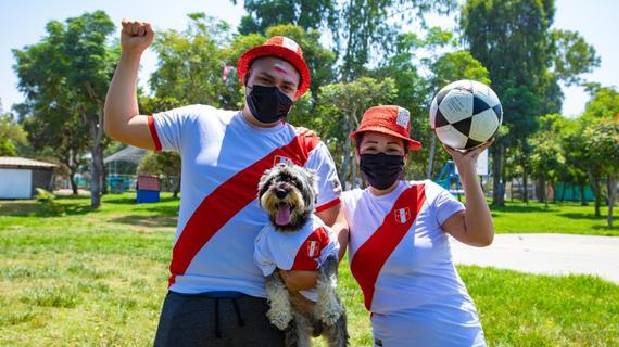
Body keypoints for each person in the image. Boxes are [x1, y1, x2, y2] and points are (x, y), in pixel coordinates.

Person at [103, 19, 343, 346]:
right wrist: (132, 54)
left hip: (267, 305)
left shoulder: (308, 147)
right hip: (190, 295)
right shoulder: (198, 121)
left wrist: (309, 282)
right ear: (245, 80)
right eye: (265, 80)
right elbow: (120, 125)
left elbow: (330, 220)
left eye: (286, 86)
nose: (275, 90)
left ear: (295, 95)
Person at [337, 105, 493, 347]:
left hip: (455, 335)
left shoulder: (427, 194)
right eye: (371, 148)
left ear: (404, 158)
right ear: (357, 154)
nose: (381, 156)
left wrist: (466, 170)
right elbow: (323, 255)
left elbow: (480, 236)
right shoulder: (347, 204)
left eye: (391, 150)